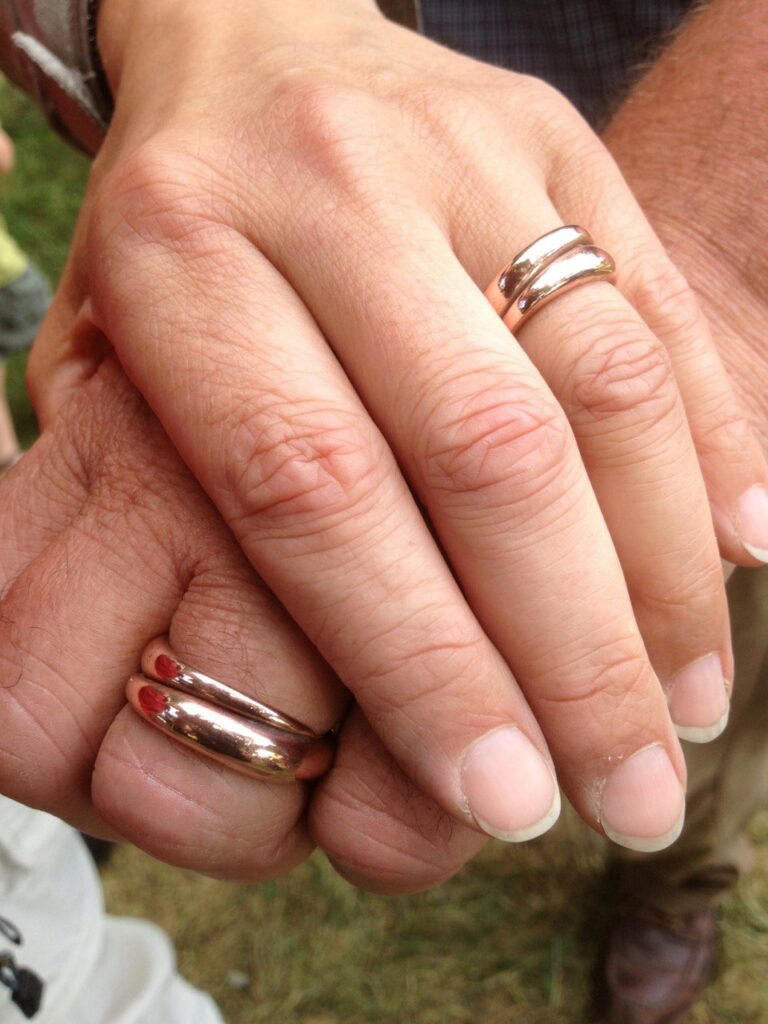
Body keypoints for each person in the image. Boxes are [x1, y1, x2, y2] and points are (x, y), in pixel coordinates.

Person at [0, 1, 765, 1022]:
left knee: (696, 659)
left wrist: (710, 271)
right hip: (275, 203)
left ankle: (679, 886)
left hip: (693, 208)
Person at [0, 126, 49, 476]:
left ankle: (7, 458)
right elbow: (3, 157)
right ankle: (78, 418)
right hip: (4, 275)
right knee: (58, 338)